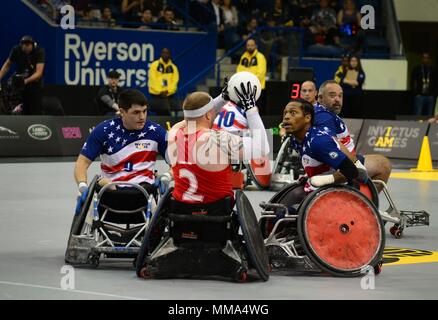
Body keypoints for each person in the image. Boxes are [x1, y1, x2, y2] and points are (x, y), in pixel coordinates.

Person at [167, 80, 270, 204]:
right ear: (209, 115)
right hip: (216, 213)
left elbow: (192, 116)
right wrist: (251, 108)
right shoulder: (219, 139)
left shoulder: (174, 133)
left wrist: (222, 98)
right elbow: (263, 147)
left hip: (181, 211)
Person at [74, 89, 168, 196]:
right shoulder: (104, 130)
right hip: (110, 190)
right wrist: (82, 185)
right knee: (103, 183)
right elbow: (82, 162)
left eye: (144, 111)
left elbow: (177, 163)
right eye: (136, 112)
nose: (142, 117)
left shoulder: (156, 132)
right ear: (122, 112)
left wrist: (167, 176)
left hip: (144, 190)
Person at [282, 98, 368, 200]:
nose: (286, 117)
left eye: (293, 113)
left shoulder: (319, 142)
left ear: (307, 118)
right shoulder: (294, 139)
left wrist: (324, 179)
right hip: (314, 189)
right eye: (285, 113)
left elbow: (353, 172)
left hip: (333, 196)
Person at [315, 80, 392, 192]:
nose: (337, 99)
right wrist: (356, 163)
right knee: (383, 164)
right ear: (320, 98)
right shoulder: (324, 117)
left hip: (341, 160)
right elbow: (332, 142)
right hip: (337, 165)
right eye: (332, 95)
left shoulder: (322, 112)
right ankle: (364, 206)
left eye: (340, 96)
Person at [0, 35, 45, 115]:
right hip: (20, 85)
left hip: (34, 85)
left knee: (35, 111)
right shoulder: (16, 50)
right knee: (21, 110)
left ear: (32, 45)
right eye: (23, 45)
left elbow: (39, 73)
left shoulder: (39, 51)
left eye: (27, 45)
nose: (25, 48)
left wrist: (26, 81)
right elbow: (7, 64)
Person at [237, 39, 267, 112]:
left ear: (255, 46)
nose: (250, 47)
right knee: (244, 111)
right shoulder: (243, 57)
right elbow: (239, 71)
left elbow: (261, 73)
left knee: (257, 111)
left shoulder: (260, 57)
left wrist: (250, 82)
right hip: (246, 90)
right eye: (248, 45)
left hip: (258, 88)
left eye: (251, 45)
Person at [148, 48, 179, 116]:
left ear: (170, 55)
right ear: (161, 54)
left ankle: (165, 124)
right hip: (156, 95)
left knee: (166, 109)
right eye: (163, 53)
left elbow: (175, 81)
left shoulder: (174, 68)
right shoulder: (154, 65)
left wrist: (168, 91)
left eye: (167, 53)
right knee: (163, 109)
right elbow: (152, 80)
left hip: (169, 95)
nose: (165, 54)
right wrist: (160, 91)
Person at [411, 52, 437, 116]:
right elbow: (413, 81)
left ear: (429, 59)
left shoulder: (433, 69)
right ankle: (416, 126)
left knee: (430, 115)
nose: (425, 59)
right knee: (418, 114)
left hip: (430, 96)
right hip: (419, 96)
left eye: (427, 58)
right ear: (421, 59)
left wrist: (433, 94)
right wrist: (416, 94)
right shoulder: (417, 69)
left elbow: (436, 82)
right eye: (424, 58)